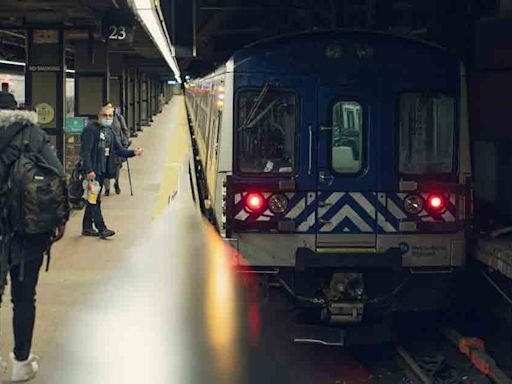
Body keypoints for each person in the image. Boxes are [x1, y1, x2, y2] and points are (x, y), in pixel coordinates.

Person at [0, 101, 66, 382]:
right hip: (27, 231)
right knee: (24, 298)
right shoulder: (33, 135)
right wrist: (58, 223)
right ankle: (21, 362)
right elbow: (58, 175)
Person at [80, 104, 143, 238]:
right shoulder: (90, 131)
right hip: (93, 173)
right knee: (94, 200)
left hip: (102, 171)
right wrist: (89, 170)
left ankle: (86, 227)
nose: (107, 118)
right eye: (105, 115)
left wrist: (134, 153)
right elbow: (85, 152)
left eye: (110, 115)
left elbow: (119, 150)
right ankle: (102, 228)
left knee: (92, 199)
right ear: (99, 116)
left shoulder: (110, 132)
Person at [103, 102, 130, 196]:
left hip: (117, 145)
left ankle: (116, 183)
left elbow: (125, 130)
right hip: (106, 146)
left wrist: (125, 142)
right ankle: (107, 188)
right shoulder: (103, 118)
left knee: (117, 165)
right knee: (105, 165)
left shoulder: (119, 118)